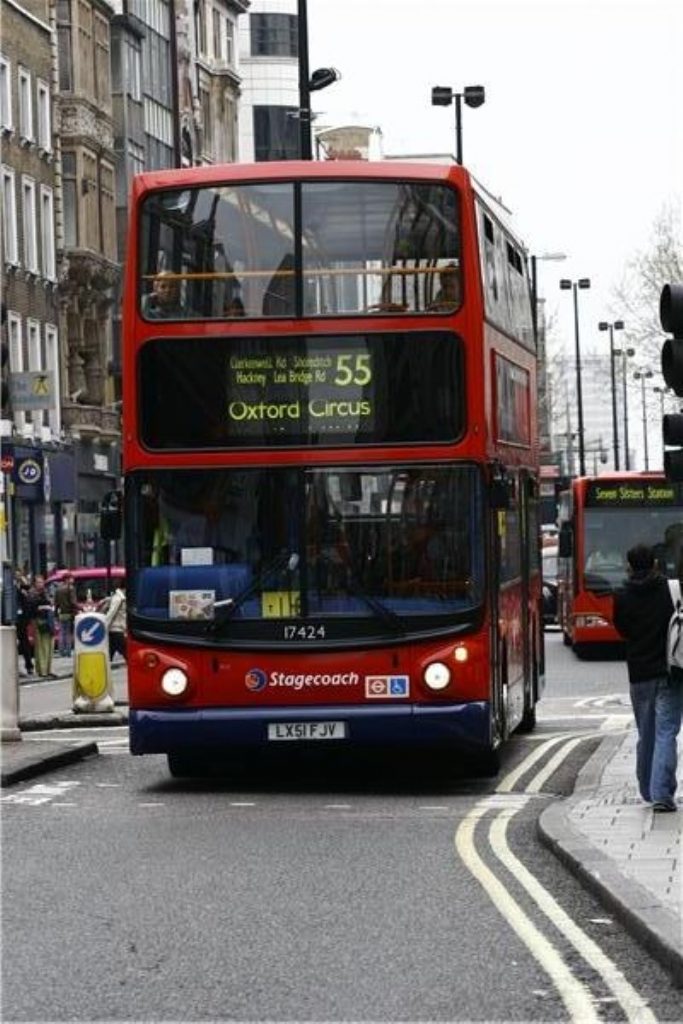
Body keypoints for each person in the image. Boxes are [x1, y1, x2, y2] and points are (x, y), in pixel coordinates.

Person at [613, 543, 683, 812]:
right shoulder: (671, 589)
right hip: (670, 669)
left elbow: (623, 630)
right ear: (655, 563)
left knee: (647, 733)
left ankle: (647, 788)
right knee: (667, 731)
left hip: (639, 673)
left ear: (629, 566)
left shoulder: (621, 596)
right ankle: (661, 794)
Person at [24, 575, 57, 679]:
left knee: (49, 646)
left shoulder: (46, 592)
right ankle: (42, 670)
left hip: (48, 620)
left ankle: (48, 669)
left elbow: (51, 602)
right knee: (41, 647)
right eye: (38, 582)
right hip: (39, 621)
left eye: (42, 582)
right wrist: (43, 605)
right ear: (35, 583)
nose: (41, 584)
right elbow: (31, 607)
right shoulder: (32, 594)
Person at [14, 570, 34, 676]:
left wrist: (23, 580)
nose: (18, 577)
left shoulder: (22, 588)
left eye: (19, 575)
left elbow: (28, 588)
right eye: (16, 575)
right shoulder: (12, 588)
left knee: (24, 642)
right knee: (16, 643)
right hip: (14, 619)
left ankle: (29, 666)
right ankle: (17, 666)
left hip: (22, 620)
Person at [54, 571, 78, 657]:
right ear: (67, 579)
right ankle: (68, 651)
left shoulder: (58, 589)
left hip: (61, 613)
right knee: (68, 632)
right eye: (71, 578)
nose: (73, 580)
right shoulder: (70, 588)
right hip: (69, 612)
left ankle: (61, 651)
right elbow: (73, 602)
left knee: (61, 632)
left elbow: (56, 603)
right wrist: (79, 608)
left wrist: (55, 613)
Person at [103, 584, 127, 662]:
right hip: (116, 629)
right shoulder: (118, 598)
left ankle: (105, 670)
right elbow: (111, 613)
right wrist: (104, 626)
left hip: (115, 630)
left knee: (109, 655)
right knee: (127, 653)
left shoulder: (121, 598)